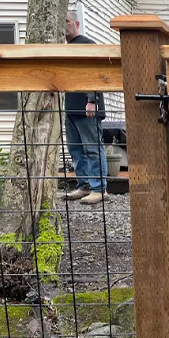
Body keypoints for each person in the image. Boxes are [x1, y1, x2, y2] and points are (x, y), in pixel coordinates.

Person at [62, 11, 109, 204]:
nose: (64, 26)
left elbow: (96, 73)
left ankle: (100, 189)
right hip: (71, 107)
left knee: (92, 148)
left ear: (76, 23)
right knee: (75, 150)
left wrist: (92, 99)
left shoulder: (87, 45)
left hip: (87, 106)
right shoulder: (64, 48)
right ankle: (84, 186)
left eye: (67, 21)